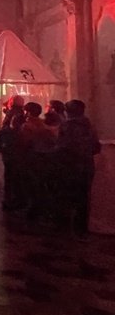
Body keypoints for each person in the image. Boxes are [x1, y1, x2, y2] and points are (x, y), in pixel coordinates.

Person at [57, 100, 101, 235]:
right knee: (83, 197)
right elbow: (96, 147)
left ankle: (65, 226)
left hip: (69, 165)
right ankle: (81, 227)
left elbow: (62, 146)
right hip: (86, 165)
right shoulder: (90, 125)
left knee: (67, 195)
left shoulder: (66, 126)